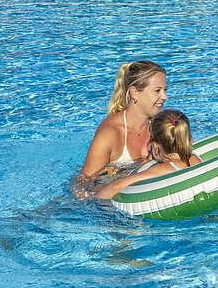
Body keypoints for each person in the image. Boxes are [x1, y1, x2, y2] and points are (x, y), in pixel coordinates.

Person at [71, 60, 167, 199]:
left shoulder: (160, 126)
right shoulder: (110, 134)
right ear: (134, 93)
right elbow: (82, 186)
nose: (164, 97)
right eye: (157, 91)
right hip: (104, 200)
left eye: (165, 90)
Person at [96, 109, 202, 200]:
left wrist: (92, 197)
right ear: (188, 138)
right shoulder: (194, 158)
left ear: (155, 145)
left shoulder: (163, 169)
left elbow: (117, 186)